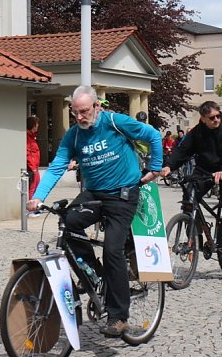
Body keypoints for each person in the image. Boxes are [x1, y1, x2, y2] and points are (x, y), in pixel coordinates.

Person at [27, 86, 162, 337]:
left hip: (122, 194)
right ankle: (95, 275)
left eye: (85, 111)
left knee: (113, 249)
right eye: (75, 113)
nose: (80, 117)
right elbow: (57, 166)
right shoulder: (75, 135)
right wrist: (37, 197)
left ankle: (118, 315)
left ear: (97, 107)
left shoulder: (115, 122)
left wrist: (154, 168)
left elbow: (152, 135)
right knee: (69, 224)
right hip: (93, 194)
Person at [161, 101, 222, 257]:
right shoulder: (198, 132)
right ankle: (196, 235)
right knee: (189, 199)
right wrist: (169, 166)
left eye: (218, 116)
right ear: (203, 119)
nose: (216, 120)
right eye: (212, 118)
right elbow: (183, 151)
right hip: (204, 171)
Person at [26, 115, 41, 199]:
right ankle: (31, 207)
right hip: (32, 168)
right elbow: (28, 153)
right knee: (32, 188)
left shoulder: (32, 137)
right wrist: (33, 168)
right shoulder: (27, 137)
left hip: (35, 166)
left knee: (37, 187)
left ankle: (35, 204)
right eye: (36, 124)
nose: (37, 126)